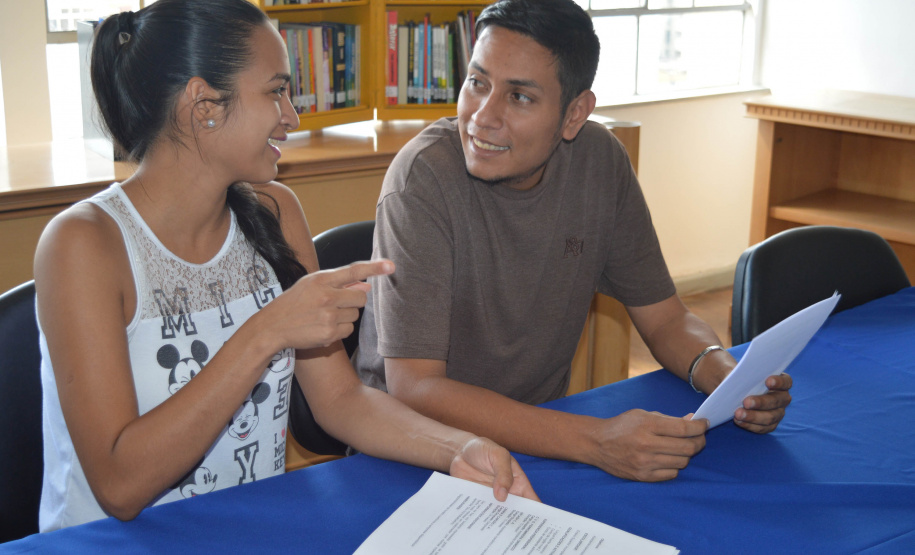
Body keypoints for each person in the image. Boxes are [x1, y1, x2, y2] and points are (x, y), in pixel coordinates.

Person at [33, 0, 537, 532]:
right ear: (203, 104)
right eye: (275, 91)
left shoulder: (275, 211)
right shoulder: (83, 243)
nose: (292, 116)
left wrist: (459, 446)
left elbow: (341, 401)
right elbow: (119, 486)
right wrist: (267, 332)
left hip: (245, 531)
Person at [353, 0, 793, 483]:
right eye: (477, 83)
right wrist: (595, 441)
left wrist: (725, 378)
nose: (482, 116)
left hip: (539, 442)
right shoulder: (423, 179)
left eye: (519, 97)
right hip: (411, 451)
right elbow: (416, 388)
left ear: (575, 114)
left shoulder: (600, 163)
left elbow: (666, 317)